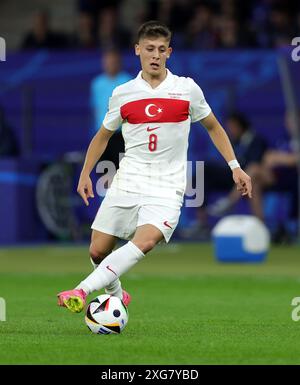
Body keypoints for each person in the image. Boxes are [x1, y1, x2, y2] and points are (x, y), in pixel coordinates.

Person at [57, 21, 252, 313]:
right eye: (149, 49)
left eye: (162, 49)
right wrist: (85, 172)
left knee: (145, 241)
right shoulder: (123, 93)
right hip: (129, 178)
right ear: (138, 50)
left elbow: (214, 127)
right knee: (98, 250)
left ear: (169, 52)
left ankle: (81, 290)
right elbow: (103, 136)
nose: (155, 55)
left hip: (167, 184)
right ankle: (118, 294)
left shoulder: (186, 89)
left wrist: (235, 166)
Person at [90, 49, 131, 135]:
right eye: (107, 62)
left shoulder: (128, 81)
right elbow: (95, 107)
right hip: (101, 132)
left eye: (113, 62)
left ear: (119, 63)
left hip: (122, 132)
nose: (110, 64)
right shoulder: (97, 83)